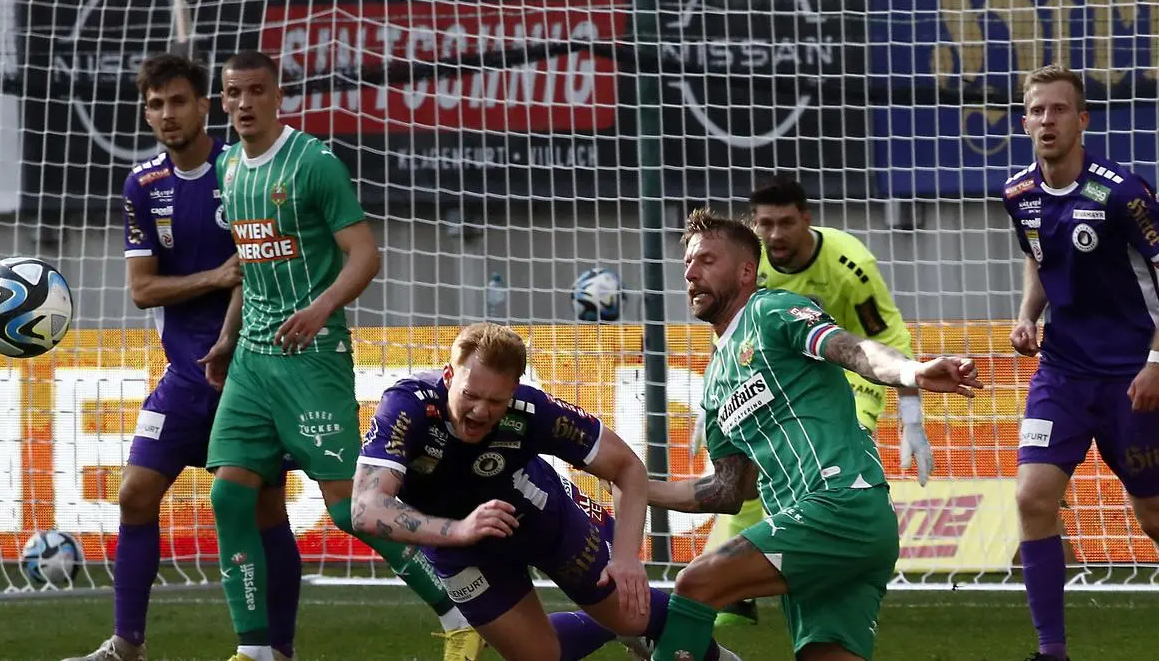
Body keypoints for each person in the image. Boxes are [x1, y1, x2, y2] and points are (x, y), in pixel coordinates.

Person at [195, 51, 482, 661]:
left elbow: (365, 255)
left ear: (279, 96)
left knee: (353, 509)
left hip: (312, 358)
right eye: (233, 93)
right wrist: (227, 337)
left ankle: (460, 614)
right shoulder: (228, 166)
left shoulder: (313, 163)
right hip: (251, 362)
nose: (243, 103)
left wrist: (320, 308)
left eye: (255, 91)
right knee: (229, 495)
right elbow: (250, 264)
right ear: (222, 101)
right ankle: (255, 650)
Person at [646, 208, 981, 661]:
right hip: (815, 529)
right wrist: (639, 486)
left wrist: (910, 372)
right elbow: (727, 490)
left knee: (695, 583)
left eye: (706, 260)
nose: (690, 273)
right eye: (688, 262)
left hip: (839, 507)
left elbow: (850, 347)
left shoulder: (772, 310)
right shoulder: (715, 381)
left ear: (746, 271)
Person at [60, 53, 303, 661]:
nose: (166, 114)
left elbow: (257, 270)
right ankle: (127, 644)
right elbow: (143, 290)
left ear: (204, 106)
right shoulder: (143, 186)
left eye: (177, 101)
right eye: (155, 105)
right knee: (134, 494)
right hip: (184, 379)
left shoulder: (240, 171)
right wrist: (214, 276)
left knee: (265, 511)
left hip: (249, 375)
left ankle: (279, 649)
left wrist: (230, 319)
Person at [351, 323, 741, 661]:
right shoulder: (407, 407)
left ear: (514, 389)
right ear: (449, 375)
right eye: (470, 395)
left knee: (630, 613)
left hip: (543, 518)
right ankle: (617, 627)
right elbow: (365, 510)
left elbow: (627, 467)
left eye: (496, 401)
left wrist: (626, 557)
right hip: (459, 546)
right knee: (538, 656)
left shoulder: (532, 409)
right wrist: (460, 530)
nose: (481, 411)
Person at [690, 173, 929, 628]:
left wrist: (910, 410)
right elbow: (732, 330)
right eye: (765, 224)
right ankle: (745, 588)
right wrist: (716, 400)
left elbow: (884, 334)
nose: (775, 234)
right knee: (760, 465)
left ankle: (839, 561)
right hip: (780, 373)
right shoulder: (751, 264)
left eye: (785, 223)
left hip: (851, 368)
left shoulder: (849, 262)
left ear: (806, 219)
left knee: (832, 453)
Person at [1004, 64, 1159, 661]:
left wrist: (1156, 362)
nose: (1047, 120)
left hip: (1132, 378)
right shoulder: (1018, 194)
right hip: (1062, 374)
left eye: (1059, 109)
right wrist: (1027, 315)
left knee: (1153, 516)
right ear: (1025, 122)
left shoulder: (1124, 193)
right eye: (1037, 110)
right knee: (1031, 498)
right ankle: (1052, 652)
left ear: (1082, 120)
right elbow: (1039, 257)